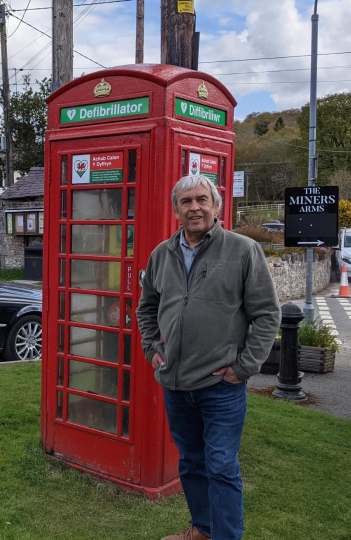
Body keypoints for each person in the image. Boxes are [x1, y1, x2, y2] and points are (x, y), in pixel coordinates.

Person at [136, 175, 281, 540]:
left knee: (221, 467)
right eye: (186, 202)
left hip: (221, 385)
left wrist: (244, 367)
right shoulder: (161, 254)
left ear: (216, 206)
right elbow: (146, 308)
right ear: (176, 211)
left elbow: (267, 314)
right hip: (175, 382)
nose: (195, 207)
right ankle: (202, 528)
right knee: (193, 463)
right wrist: (152, 349)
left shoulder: (243, 250)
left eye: (202, 199)